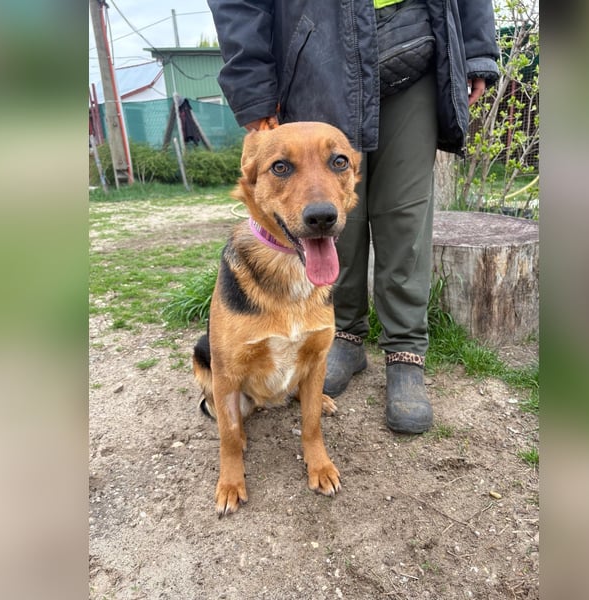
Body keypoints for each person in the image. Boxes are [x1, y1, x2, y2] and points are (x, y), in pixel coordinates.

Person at [207, 0, 500, 433]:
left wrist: (476, 49)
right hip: (317, 48)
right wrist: (251, 84)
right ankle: (341, 333)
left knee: (405, 213)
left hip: (417, 39)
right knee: (316, 212)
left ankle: (405, 351)